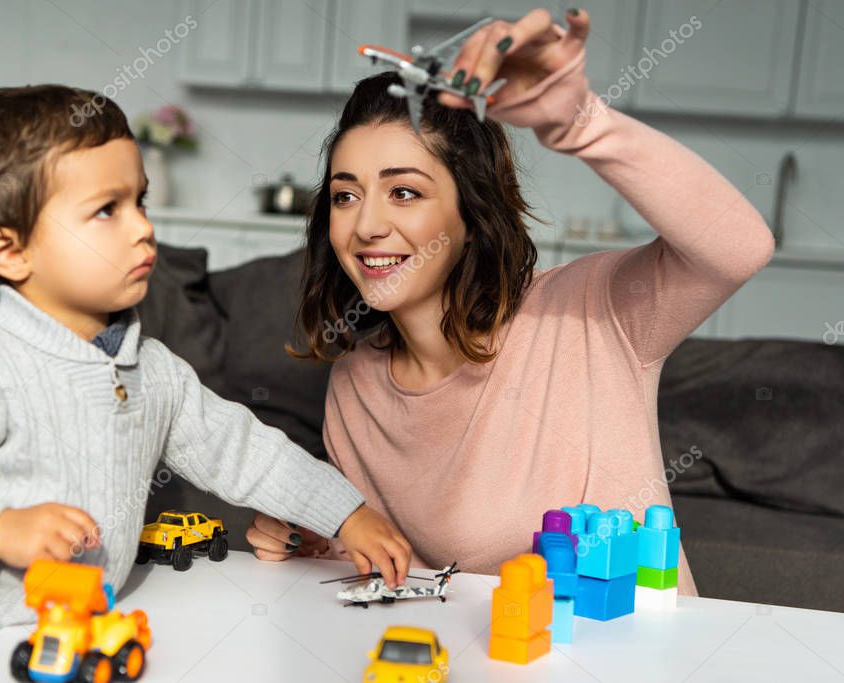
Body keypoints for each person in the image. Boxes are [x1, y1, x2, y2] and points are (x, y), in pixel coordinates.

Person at [0, 84, 411, 683]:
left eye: (139, 201)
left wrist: (346, 512)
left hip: (60, 632)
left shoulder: (154, 371)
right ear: (9, 251)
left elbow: (245, 451)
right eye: (107, 210)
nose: (144, 228)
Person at [247, 8, 775, 592]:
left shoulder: (592, 313)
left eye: (404, 192)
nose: (367, 224)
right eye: (346, 197)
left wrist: (580, 123)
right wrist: (318, 539)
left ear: (469, 214)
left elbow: (740, 247)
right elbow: (395, 572)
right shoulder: (357, 381)